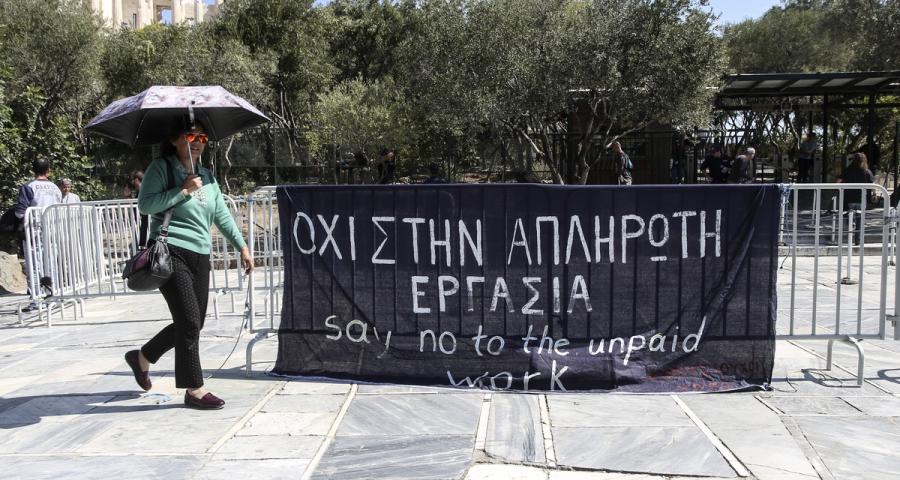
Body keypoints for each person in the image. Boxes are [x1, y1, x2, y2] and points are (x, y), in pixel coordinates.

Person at [124, 118, 253, 410]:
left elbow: (221, 214)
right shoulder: (162, 168)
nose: (197, 143)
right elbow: (146, 205)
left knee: (193, 322)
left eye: (202, 138)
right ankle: (194, 389)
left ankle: (142, 358)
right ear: (174, 140)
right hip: (170, 251)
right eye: (191, 137)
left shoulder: (207, 175)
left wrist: (242, 246)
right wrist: (183, 190)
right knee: (190, 321)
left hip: (200, 253)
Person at [15, 157, 62, 311]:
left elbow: (20, 213)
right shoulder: (55, 188)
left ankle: (36, 299)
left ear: (33, 170)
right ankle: (53, 296)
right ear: (48, 170)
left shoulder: (29, 187)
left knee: (34, 266)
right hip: (52, 231)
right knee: (51, 264)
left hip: (33, 232)